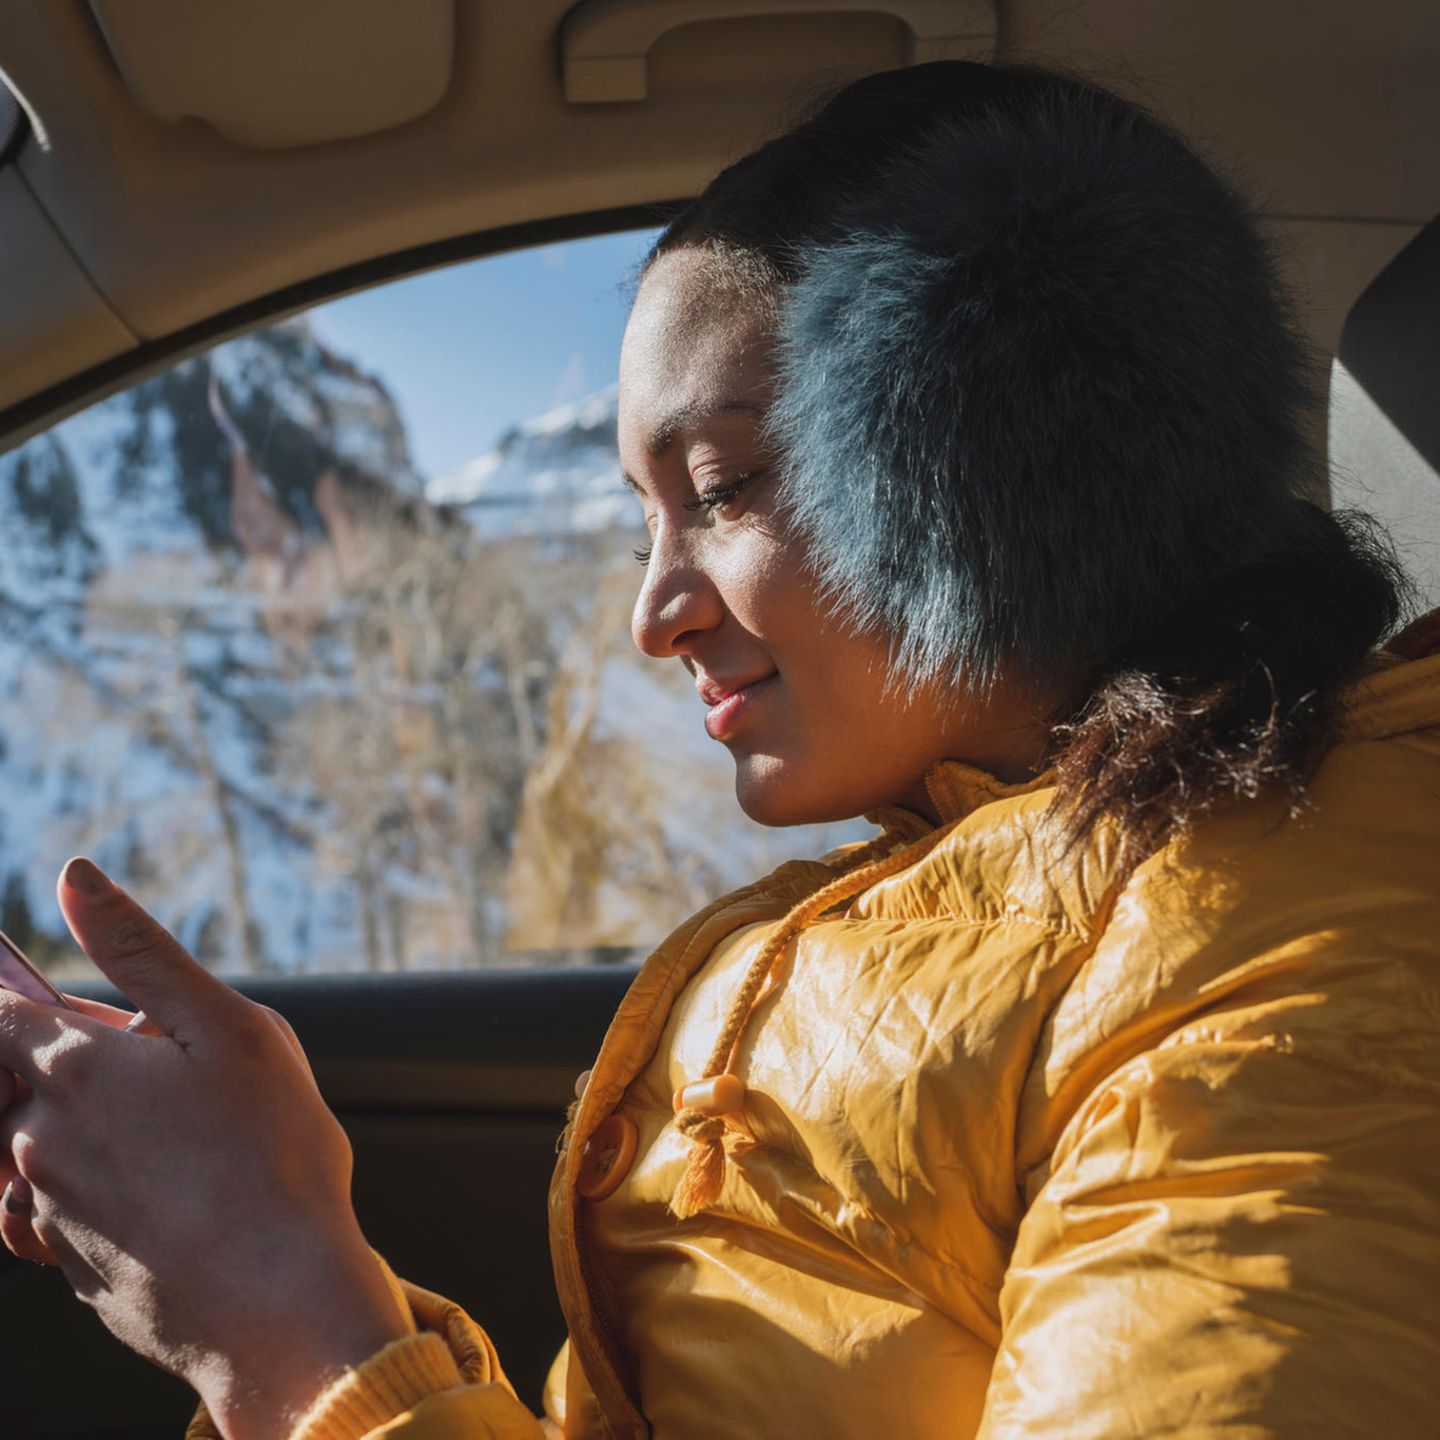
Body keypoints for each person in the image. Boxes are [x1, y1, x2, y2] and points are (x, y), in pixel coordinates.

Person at [2, 59, 1439, 1440]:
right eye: (644, 518)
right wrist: (272, 1254)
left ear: (994, 451)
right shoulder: (1031, 888)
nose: (652, 615)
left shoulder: (1288, 972)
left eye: (723, 488)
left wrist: (277, 1319)